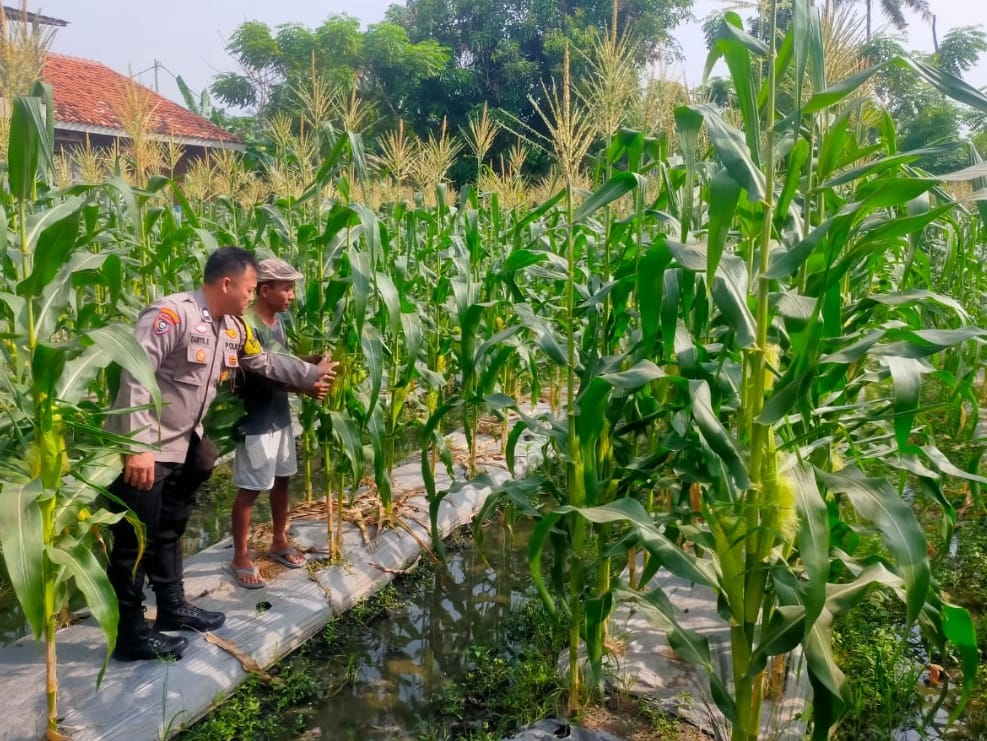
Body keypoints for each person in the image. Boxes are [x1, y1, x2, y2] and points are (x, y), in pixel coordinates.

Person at [105, 246, 336, 662]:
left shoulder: (231, 328)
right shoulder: (172, 316)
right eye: (249, 288)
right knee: (134, 544)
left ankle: (172, 607)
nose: (252, 296)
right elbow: (136, 375)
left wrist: (310, 373)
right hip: (149, 448)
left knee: (170, 528)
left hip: (184, 444)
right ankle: (131, 634)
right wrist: (136, 448)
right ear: (227, 283)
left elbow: (263, 362)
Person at [229, 258, 329, 588]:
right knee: (250, 489)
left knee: (282, 481)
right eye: (286, 289)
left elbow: (282, 363)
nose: (292, 296)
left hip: (280, 416)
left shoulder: (277, 322)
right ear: (265, 290)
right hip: (256, 419)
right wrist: (305, 385)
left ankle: (278, 540)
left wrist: (309, 364)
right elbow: (260, 374)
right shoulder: (247, 325)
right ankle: (240, 556)